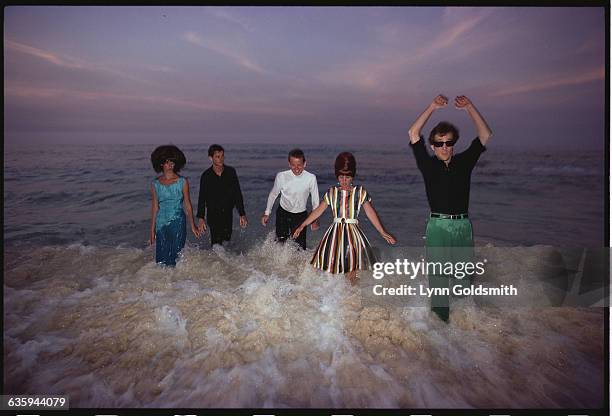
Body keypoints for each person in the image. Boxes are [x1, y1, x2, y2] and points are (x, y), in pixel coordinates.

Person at [408, 94, 493, 322]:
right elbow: (413, 133)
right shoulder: (427, 164)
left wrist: (470, 108)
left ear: (453, 144)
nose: (444, 148)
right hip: (437, 226)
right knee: (438, 279)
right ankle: (440, 326)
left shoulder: (464, 162)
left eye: (448, 143)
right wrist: (432, 107)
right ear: (433, 145)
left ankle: (464, 326)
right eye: (439, 143)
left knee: (463, 279)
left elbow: (485, 135)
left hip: (463, 226)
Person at [292, 152, 396, 285]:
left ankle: (352, 297)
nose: (344, 180)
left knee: (352, 269)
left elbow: (371, 213)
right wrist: (303, 225)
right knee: (330, 269)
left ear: (352, 176)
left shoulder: (360, 192)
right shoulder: (332, 192)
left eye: (347, 177)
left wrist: (382, 232)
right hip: (334, 234)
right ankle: (334, 297)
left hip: (353, 234)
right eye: (341, 177)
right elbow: (318, 211)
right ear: (337, 175)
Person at [149, 145, 200, 266]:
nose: (171, 164)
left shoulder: (182, 182)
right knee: (161, 259)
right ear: (161, 163)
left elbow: (187, 204)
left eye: (172, 161)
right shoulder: (155, 183)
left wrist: (193, 224)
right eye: (167, 162)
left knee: (177, 255)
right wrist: (152, 230)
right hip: (161, 223)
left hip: (178, 221)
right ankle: (163, 283)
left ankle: (176, 281)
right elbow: (155, 207)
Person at [261, 149, 320, 250]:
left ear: (305, 163)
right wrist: (267, 213)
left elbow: (315, 201)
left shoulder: (311, 178)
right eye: (293, 165)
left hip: (300, 216)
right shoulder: (282, 176)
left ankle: (297, 266)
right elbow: (273, 194)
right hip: (283, 213)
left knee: (300, 248)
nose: (296, 168)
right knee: (281, 242)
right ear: (289, 164)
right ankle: (278, 264)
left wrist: (314, 219)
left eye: (299, 165)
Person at [196, 144, 247, 246]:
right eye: (217, 156)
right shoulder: (206, 175)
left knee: (226, 239)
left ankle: (223, 261)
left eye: (222, 156)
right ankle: (215, 261)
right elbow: (202, 197)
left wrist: (242, 214)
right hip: (213, 213)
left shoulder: (231, 172)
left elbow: (237, 193)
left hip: (227, 213)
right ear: (211, 158)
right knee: (216, 242)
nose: (221, 159)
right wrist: (201, 218)